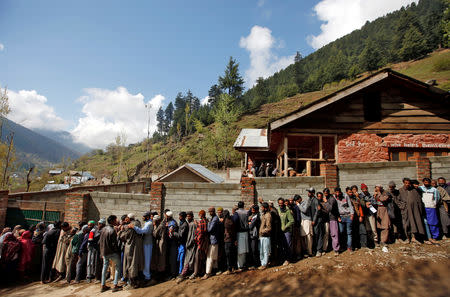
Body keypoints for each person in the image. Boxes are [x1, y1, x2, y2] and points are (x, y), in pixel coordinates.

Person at [120, 214, 144, 289]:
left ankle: (132, 283)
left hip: (130, 248)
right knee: (136, 263)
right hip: (138, 247)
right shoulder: (138, 224)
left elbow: (122, 236)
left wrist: (121, 231)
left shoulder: (130, 226)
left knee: (130, 264)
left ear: (129, 218)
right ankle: (137, 281)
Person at [99, 215, 122, 293]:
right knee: (118, 267)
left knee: (104, 268)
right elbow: (114, 244)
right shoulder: (112, 231)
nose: (116, 221)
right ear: (112, 221)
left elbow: (100, 241)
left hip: (104, 252)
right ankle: (115, 285)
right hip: (112, 252)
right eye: (115, 220)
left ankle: (103, 285)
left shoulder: (103, 229)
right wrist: (117, 251)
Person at [133, 211, 153, 284]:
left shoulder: (149, 224)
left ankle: (147, 277)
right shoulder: (147, 223)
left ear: (147, 217)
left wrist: (134, 227)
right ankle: (146, 275)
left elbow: (142, 231)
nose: (142, 218)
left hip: (148, 243)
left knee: (147, 260)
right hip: (146, 243)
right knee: (145, 259)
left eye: (143, 216)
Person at [177, 211, 196, 282]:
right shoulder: (188, 224)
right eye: (187, 216)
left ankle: (183, 274)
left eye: (189, 216)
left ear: (192, 216)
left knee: (187, 260)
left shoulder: (192, 224)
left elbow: (192, 237)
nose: (188, 218)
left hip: (190, 245)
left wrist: (188, 244)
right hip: (187, 245)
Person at [190, 210, 208, 279]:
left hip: (201, 242)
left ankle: (195, 273)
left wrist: (198, 242)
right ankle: (202, 272)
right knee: (203, 257)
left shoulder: (201, 222)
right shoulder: (206, 221)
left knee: (197, 258)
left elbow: (200, 233)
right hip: (205, 242)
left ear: (201, 215)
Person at [87, 219, 105, 283]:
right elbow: (90, 240)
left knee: (100, 263)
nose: (99, 225)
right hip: (96, 249)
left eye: (100, 224)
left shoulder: (103, 230)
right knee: (94, 262)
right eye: (98, 224)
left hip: (101, 249)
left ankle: (99, 277)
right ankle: (95, 276)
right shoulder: (95, 230)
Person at [374, 185, 392, 249]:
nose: (377, 189)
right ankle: (378, 240)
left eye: (378, 188)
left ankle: (383, 240)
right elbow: (374, 201)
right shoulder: (375, 194)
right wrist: (375, 196)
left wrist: (378, 194)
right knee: (378, 226)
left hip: (384, 210)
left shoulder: (385, 193)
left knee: (385, 226)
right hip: (378, 210)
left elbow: (383, 199)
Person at [336, 188, 354, 252]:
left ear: (341, 192)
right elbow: (335, 208)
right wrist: (338, 217)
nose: (338, 194)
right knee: (341, 232)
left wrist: (352, 214)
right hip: (341, 216)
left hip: (348, 216)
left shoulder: (345, 196)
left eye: (339, 193)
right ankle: (342, 246)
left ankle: (349, 247)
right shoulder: (335, 197)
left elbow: (350, 205)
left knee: (349, 232)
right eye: (336, 193)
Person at [323, 188, 340, 256]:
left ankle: (336, 249)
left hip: (333, 218)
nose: (325, 195)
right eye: (324, 193)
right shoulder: (328, 198)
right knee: (327, 234)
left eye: (326, 193)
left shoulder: (332, 199)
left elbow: (330, 208)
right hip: (327, 219)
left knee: (334, 234)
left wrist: (326, 202)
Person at [349, 186, 367, 250]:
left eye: (355, 189)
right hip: (351, 216)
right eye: (353, 190)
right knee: (352, 231)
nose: (354, 191)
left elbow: (361, 206)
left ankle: (361, 245)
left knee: (360, 231)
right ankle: (353, 245)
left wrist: (360, 216)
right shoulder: (349, 198)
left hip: (357, 216)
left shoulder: (358, 197)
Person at [204, 207, 219, 279]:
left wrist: (208, 223)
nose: (209, 213)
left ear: (213, 212)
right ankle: (214, 270)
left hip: (213, 240)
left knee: (209, 257)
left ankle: (208, 273)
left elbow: (209, 229)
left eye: (210, 212)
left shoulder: (214, 219)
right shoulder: (214, 218)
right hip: (214, 240)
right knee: (214, 257)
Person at [277, 198, 294, 264]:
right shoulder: (278, 210)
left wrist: (285, 226)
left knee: (287, 246)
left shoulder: (287, 211)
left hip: (287, 231)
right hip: (280, 231)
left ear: (284, 203)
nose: (281, 205)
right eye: (279, 204)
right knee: (281, 246)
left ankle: (288, 259)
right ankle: (282, 259)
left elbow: (292, 221)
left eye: (282, 204)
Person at [235, 201, 249, 271]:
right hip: (246, 232)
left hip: (239, 233)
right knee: (245, 250)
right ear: (243, 205)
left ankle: (240, 265)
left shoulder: (237, 213)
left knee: (240, 251)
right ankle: (244, 264)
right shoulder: (247, 212)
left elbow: (235, 222)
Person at [151, 215, 167, 279]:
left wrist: (154, 227)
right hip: (160, 244)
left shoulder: (160, 226)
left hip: (161, 244)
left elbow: (155, 234)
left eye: (154, 221)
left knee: (160, 259)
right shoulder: (161, 225)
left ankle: (160, 275)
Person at [300, 189, 314, 257]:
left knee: (308, 236)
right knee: (304, 236)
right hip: (303, 220)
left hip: (307, 220)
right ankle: (306, 251)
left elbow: (304, 210)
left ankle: (310, 252)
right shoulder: (305, 201)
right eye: (308, 192)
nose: (308, 193)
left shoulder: (308, 201)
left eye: (310, 192)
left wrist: (298, 205)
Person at [312, 192, 327, 256]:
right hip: (314, 221)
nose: (319, 198)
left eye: (320, 196)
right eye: (318, 196)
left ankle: (319, 250)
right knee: (316, 235)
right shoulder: (314, 202)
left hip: (321, 220)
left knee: (320, 235)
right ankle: (315, 250)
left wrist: (321, 209)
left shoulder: (323, 203)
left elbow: (327, 211)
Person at [222, 209, 237, 274]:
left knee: (228, 255)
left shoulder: (227, 222)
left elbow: (229, 232)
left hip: (228, 240)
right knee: (232, 254)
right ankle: (233, 268)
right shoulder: (231, 220)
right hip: (231, 240)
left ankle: (229, 269)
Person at [259, 202, 272, 269]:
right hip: (262, 236)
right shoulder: (264, 214)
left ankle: (265, 264)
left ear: (265, 208)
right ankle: (263, 263)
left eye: (262, 207)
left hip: (265, 236)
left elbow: (269, 227)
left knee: (265, 251)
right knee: (262, 250)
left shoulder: (268, 215)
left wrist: (262, 231)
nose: (261, 208)